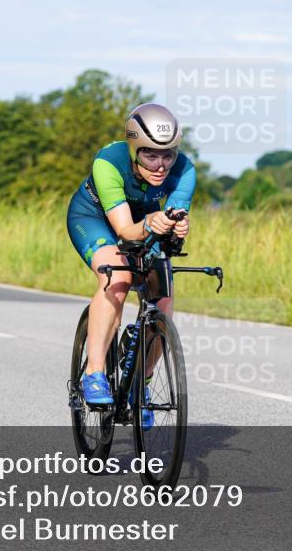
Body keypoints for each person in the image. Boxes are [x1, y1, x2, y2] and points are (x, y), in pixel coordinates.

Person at [66, 103, 196, 426]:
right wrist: (153, 222)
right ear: (134, 148)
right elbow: (125, 231)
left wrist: (178, 226)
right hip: (95, 218)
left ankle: (143, 383)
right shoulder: (108, 163)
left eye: (168, 154)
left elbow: (172, 220)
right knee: (119, 277)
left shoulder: (186, 170)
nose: (161, 164)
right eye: (150, 154)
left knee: (162, 298)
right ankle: (95, 372)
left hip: (143, 220)